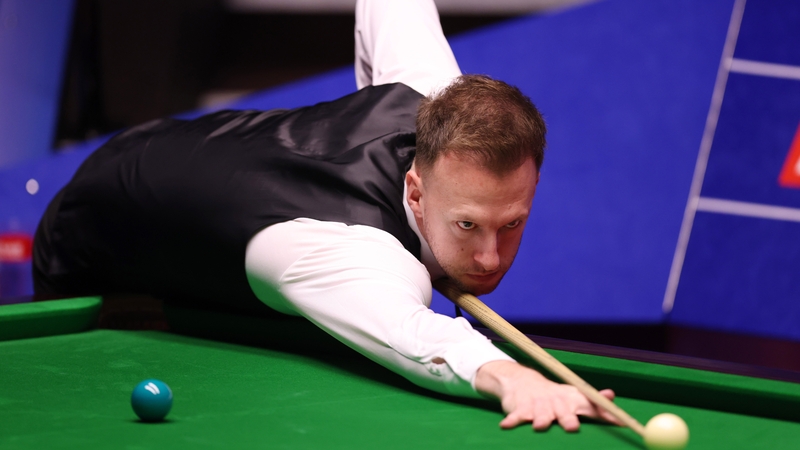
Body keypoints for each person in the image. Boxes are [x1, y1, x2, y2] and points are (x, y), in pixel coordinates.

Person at [33, 0, 619, 432]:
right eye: (466, 226)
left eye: (511, 223)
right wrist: (510, 375)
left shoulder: (434, 95)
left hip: (187, 165)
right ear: (414, 190)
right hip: (93, 234)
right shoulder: (348, 250)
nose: (490, 258)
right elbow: (415, 337)